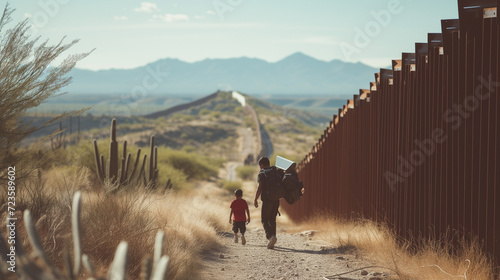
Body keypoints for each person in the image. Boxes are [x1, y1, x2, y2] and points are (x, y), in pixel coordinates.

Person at [254, 157, 283, 249]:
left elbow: (259, 187)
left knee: (264, 220)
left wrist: (255, 199)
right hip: (276, 199)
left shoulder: (262, 173)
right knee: (272, 220)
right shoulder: (276, 171)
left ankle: (271, 237)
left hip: (267, 200)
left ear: (261, 165)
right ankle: (273, 238)